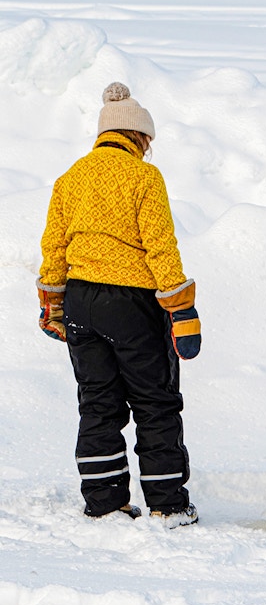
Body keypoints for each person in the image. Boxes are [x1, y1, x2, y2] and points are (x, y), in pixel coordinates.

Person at [37, 81, 201, 528]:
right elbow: (160, 247)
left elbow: (54, 247)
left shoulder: (70, 177)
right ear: (139, 137)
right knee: (155, 401)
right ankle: (168, 503)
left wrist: (51, 303)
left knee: (98, 403)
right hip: (131, 304)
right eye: (148, 141)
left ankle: (105, 502)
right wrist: (182, 309)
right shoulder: (143, 177)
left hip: (79, 301)